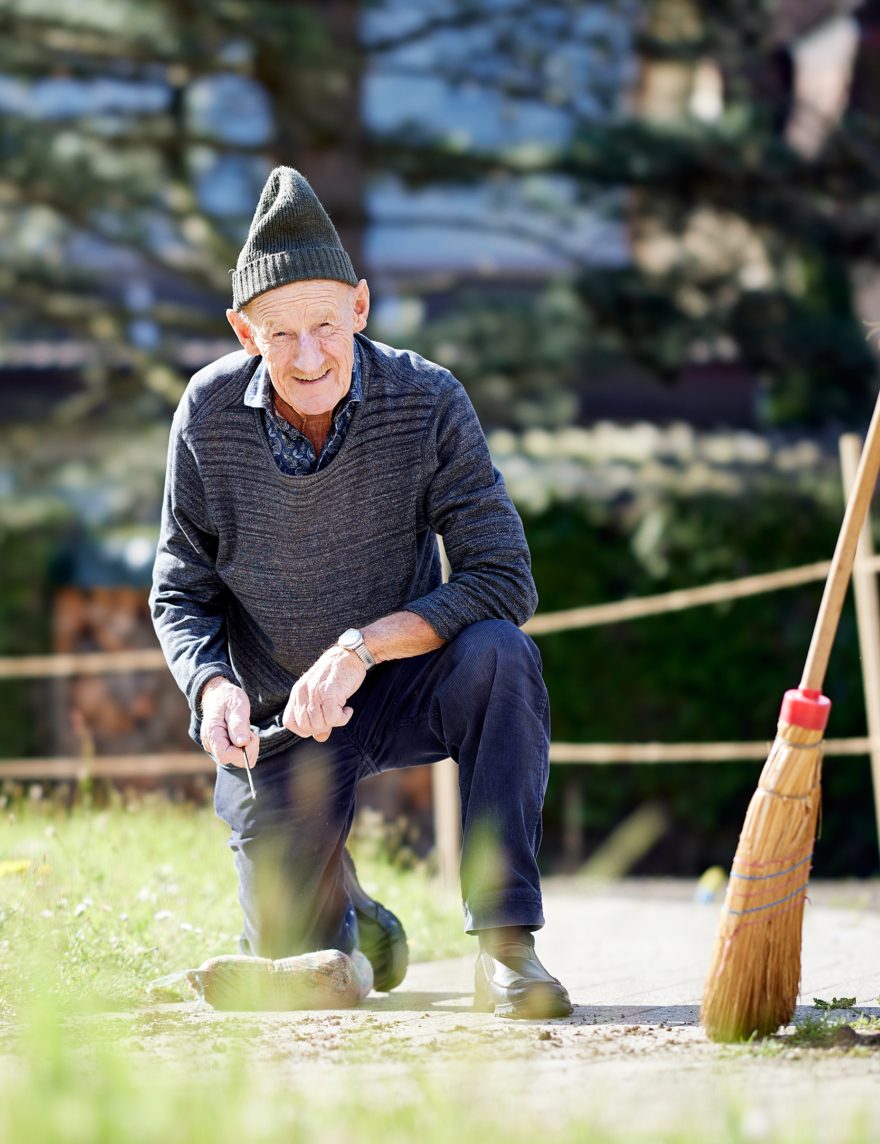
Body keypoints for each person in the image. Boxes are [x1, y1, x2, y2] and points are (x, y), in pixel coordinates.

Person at [150, 166, 572, 1019]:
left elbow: (503, 578)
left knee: (502, 658)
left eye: (325, 325)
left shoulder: (428, 400)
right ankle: (353, 912)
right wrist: (213, 684)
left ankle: (507, 949)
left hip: (403, 682)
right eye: (280, 334)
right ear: (243, 332)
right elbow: (179, 590)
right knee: (297, 969)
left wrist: (361, 647)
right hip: (280, 719)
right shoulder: (204, 417)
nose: (309, 357)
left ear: (361, 308)